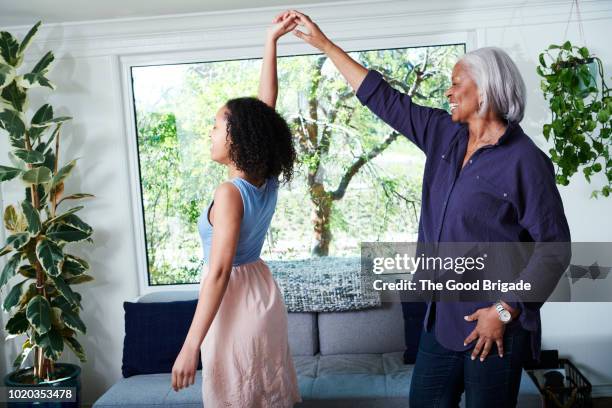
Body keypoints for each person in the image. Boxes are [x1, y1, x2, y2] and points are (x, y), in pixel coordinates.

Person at [281, 9, 571, 408]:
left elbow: (553, 250)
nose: (448, 93)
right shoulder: (444, 135)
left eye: (456, 85)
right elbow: (384, 100)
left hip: (495, 328)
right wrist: (324, 45)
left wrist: (504, 312)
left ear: (484, 92)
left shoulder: (526, 161)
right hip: (442, 322)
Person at [170, 13, 302, 408]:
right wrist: (271, 41)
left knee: (238, 396)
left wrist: (189, 346)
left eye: (216, 125)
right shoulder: (266, 176)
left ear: (238, 136)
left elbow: (221, 270)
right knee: (264, 392)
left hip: (236, 303)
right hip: (261, 292)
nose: (210, 133)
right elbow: (266, 111)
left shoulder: (229, 192)